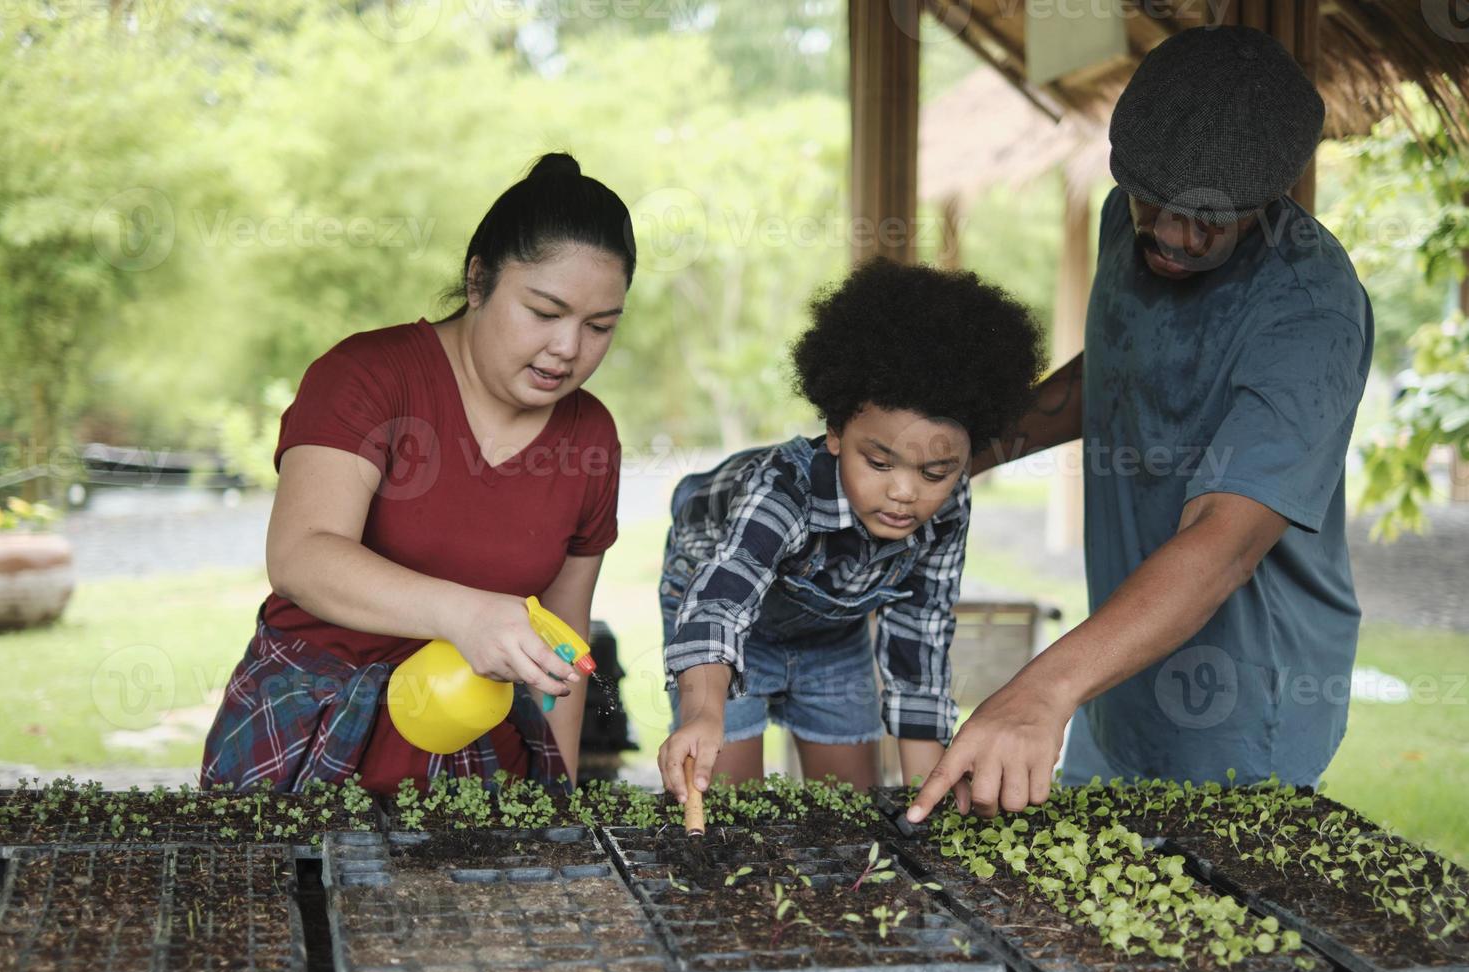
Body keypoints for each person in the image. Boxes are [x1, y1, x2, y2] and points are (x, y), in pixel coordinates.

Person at [907, 26, 1374, 824]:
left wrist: (1037, 689)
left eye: (1209, 223)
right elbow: (1121, 370)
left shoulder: (1311, 315)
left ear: (1269, 199)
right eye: (1154, 202)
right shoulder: (1131, 223)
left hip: (1242, 716)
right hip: (1113, 686)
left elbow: (1223, 541)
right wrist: (959, 455)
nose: (1172, 237)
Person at [201, 153, 632, 793]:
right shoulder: (368, 377)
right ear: (478, 279)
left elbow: (562, 651)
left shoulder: (590, 434)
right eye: (544, 313)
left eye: (599, 327)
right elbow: (301, 555)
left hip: (479, 746)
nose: (569, 348)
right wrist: (466, 616)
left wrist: (558, 801)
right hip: (309, 731)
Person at [658, 258, 1042, 802]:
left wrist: (931, 793)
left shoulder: (950, 506)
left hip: (833, 633)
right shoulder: (783, 490)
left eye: (935, 472)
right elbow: (720, 605)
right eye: (880, 463)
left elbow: (919, 634)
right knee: (725, 805)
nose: (905, 493)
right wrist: (701, 715)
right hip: (722, 621)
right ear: (836, 431)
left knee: (853, 808)